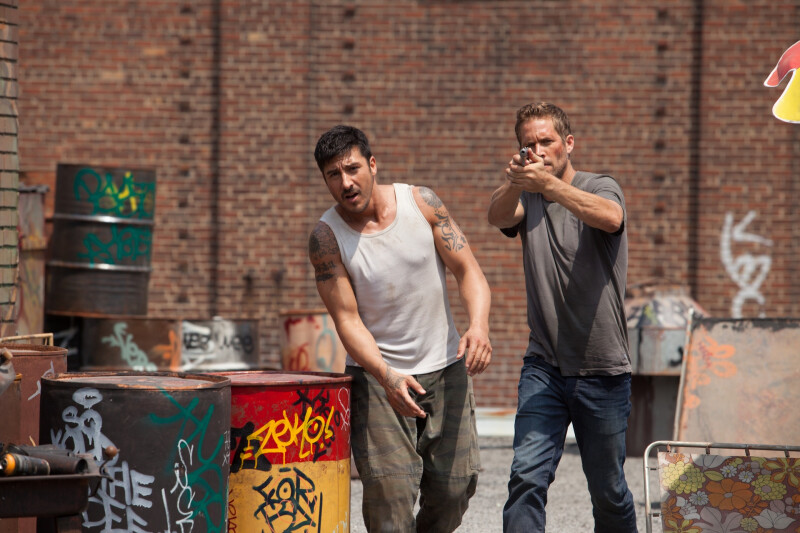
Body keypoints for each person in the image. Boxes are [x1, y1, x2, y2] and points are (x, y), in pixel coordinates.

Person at [308, 124, 492, 532]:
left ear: (372, 164)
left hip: (446, 367)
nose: (345, 182)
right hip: (378, 378)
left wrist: (478, 326)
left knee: (455, 487)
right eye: (333, 175)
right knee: (389, 498)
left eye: (352, 169)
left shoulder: (421, 203)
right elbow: (346, 319)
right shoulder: (326, 238)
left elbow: (469, 271)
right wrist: (385, 374)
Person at [487, 102, 638, 532]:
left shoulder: (599, 185)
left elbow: (610, 217)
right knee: (526, 477)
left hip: (603, 368)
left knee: (608, 491)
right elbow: (497, 215)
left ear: (568, 143)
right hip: (545, 366)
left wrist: (549, 186)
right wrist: (515, 182)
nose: (538, 151)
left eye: (546, 141)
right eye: (528, 145)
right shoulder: (527, 196)